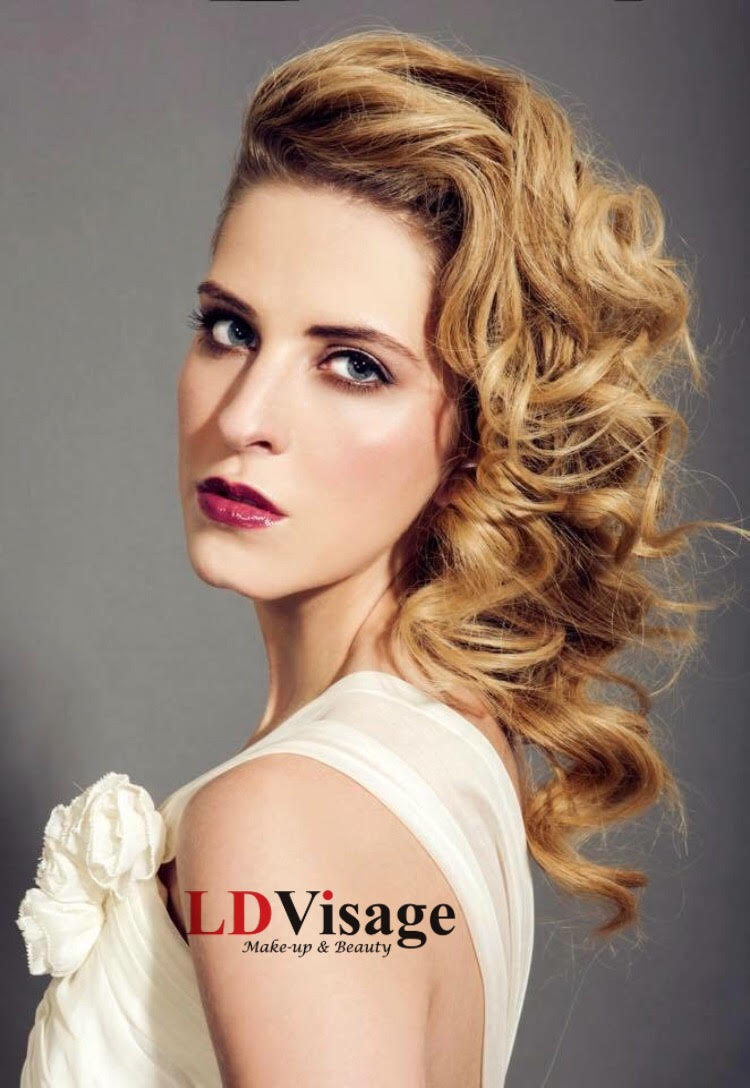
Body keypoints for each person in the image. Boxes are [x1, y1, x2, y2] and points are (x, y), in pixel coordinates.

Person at [15, 27, 746, 1088]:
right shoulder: (451, 744)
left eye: (354, 364)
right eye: (229, 328)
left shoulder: (286, 819)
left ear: (481, 431)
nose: (244, 417)